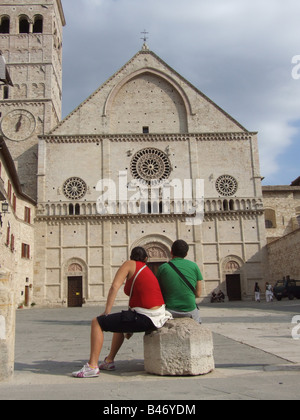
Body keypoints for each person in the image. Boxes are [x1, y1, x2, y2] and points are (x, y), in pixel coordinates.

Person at [72, 247, 172, 378]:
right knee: (120, 322)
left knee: (97, 322)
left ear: (131, 257)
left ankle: (92, 366)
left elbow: (114, 286)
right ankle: (109, 361)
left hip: (146, 317)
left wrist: (106, 311)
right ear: (146, 259)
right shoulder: (146, 270)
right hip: (155, 317)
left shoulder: (130, 264)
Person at [156, 240, 203, 324]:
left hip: (170, 311)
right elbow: (198, 294)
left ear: (171, 252)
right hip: (190, 310)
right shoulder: (194, 266)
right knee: (198, 322)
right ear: (186, 254)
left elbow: (157, 291)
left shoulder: (162, 268)